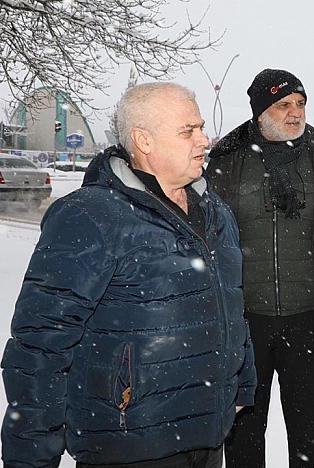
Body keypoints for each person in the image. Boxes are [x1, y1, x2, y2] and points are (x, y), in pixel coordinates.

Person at [1, 82, 256, 468]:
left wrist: (243, 382)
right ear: (144, 140)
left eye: (202, 127)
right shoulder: (91, 216)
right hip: (129, 445)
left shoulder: (215, 211)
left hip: (208, 435)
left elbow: (231, 303)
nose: (204, 139)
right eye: (189, 130)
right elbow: (40, 347)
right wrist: (31, 456)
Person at [207, 69, 314, 468]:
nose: (294, 112)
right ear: (261, 111)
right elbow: (205, 235)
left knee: (310, 436)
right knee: (243, 431)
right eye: (283, 105)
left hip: (309, 319)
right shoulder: (226, 160)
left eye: (300, 104)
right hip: (245, 322)